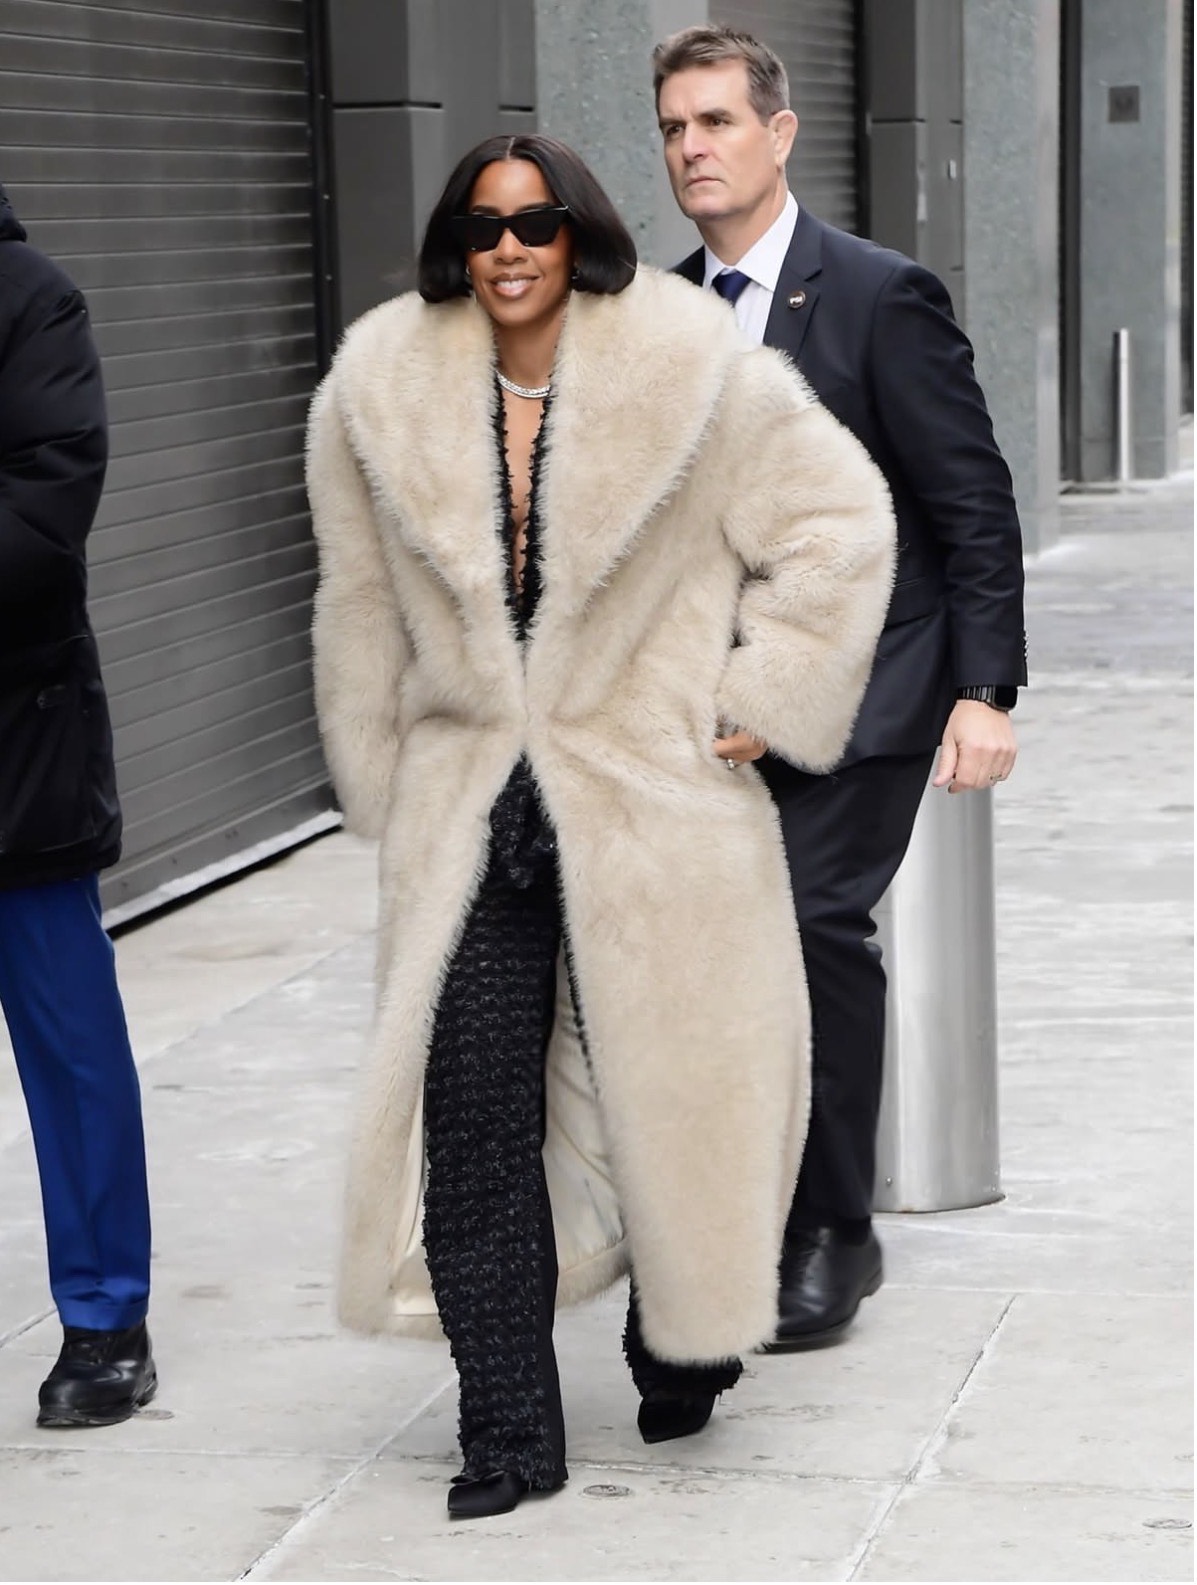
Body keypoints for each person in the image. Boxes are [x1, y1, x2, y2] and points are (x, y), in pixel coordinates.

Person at [306, 132, 895, 1519]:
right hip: (469, 809)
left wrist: (764, 689)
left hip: (650, 793)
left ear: (582, 237)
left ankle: (675, 1332)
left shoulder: (697, 371)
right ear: (456, 238)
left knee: (671, 1096)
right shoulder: (376, 389)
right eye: (484, 223)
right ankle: (506, 1428)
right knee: (474, 1110)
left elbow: (839, 523)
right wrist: (381, 778)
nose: (510, 248)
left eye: (538, 224)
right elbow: (357, 605)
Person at [652, 25, 1027, 1351]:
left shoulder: (877, 295)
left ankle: (835, 1233)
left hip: (874, 687)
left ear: (779, 131)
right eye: (675, 130)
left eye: (716, 122)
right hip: (720, 705)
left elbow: (969, 504)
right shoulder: (659, 310)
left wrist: (986, 690)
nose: (693, 149)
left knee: (808, 926)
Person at [0, 183, 156, 1426]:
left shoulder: (30, 299)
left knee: (68, 1048)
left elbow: (43, 520)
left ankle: (106, 1319)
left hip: (16, 753)